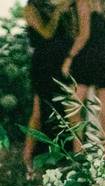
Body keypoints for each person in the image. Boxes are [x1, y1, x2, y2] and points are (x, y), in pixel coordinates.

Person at [69, 0, 105, 155]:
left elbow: (84, 35)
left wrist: (69, 57)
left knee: (74, 108)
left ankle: (78, 151)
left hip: (86, 58)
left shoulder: (84, 2)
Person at [22, 0, 75, 169]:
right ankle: (28, 157)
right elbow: (46, 34)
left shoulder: (53, 6)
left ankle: (58, 156)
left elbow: (70, 33)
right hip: (43, 65)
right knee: (39, 111)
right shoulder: (31, 8)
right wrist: (57, 13)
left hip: (60, 64)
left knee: (60, 109)